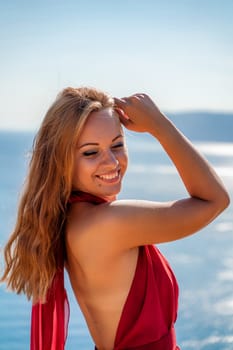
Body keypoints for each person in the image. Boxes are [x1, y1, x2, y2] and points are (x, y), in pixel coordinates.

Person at [1, 87, 230, 350]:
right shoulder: (109, 224)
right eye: (90, 152)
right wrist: (159, 125)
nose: (111, 161)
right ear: (60, 160)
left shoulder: (70, 220)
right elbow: (215, 199)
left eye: (117, 145)